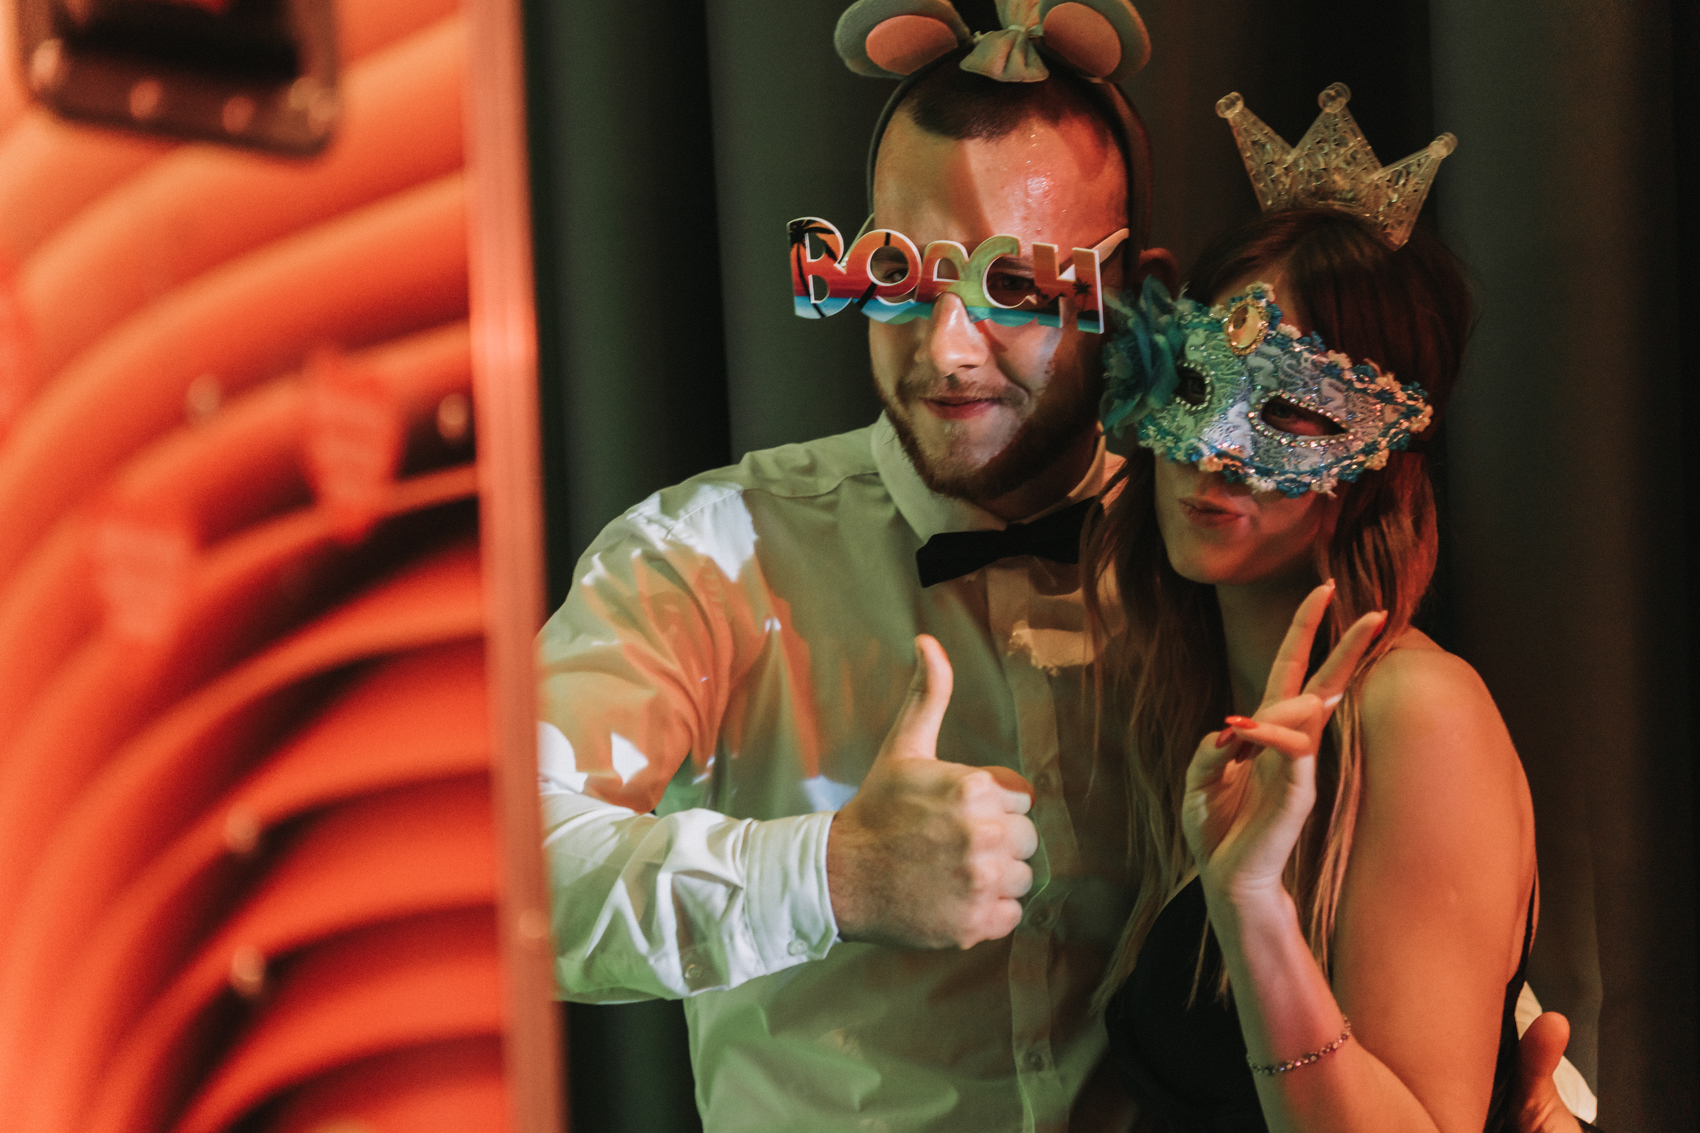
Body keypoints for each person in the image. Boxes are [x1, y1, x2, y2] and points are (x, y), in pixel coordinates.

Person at [537, 3, 1597, 1129]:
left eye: (1016, 285)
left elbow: (1381, 894)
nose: (947, 346)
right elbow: (496, 873)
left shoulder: (1193, 566)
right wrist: (829, 874)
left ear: (1132, 301)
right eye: (897, 271)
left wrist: (1508, 1069)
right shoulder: (708, 556)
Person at [1080, 113, 1557, 1128]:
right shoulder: (1185, 699)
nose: (1212, 452)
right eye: (1194, 384)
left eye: (1287, 411)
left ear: (1375, 454)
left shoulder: (1416, 712)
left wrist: (1253, 907)